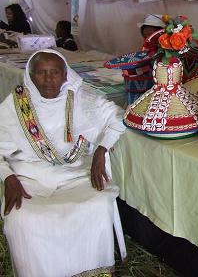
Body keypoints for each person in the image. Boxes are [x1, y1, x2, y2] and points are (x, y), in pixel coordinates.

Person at [0, 49, 126, 276]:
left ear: (65, 74)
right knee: (23, 218)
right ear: (30, 75)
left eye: (55, 72)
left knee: (96, 205)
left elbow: (118, 118)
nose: (49, 79)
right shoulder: (14, 105)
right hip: (31, 177)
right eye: (41, 73)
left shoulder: (81, 97)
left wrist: (101, 149)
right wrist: (8, 177)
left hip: (76, 173)